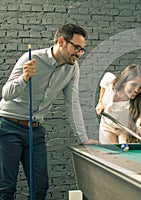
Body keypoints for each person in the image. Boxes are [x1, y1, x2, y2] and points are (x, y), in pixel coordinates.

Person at [0, 23, 100, 200]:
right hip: (9, 127)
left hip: (36, 131)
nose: (79, 53)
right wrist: (24, 78)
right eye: (76, 47)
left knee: (40, 187)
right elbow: (6, 94)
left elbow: (72, 103)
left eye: (82, 49)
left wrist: (83, 138)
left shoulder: (72, 68)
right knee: (6, 188)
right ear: (61, 41)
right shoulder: (31, 58)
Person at [95, 64, 141, 151]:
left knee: (125, 155)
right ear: (123, 82)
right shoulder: (110, 81)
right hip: (106, 126)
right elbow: (104, 84)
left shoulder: (135, 104)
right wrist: (100, 102)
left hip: (125, 130)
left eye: (140, 87)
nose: (137, 90)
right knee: (109, 155)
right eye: (134, 85)